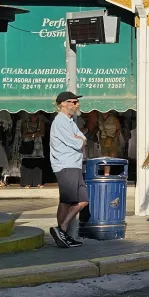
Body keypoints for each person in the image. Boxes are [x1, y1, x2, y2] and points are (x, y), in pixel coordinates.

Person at [49, 91, 88, 248]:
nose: (77, 104)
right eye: (73, 102)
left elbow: (83, 138)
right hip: (66, 165)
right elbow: (79, 143)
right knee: (67, 201)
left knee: (81, 200)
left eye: (77, 102)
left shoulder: (70, 121)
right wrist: (80, 140)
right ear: (63, 104)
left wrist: (80, 140)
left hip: (74, 164)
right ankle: (62, 232)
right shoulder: (60, 122)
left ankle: (62, 230)